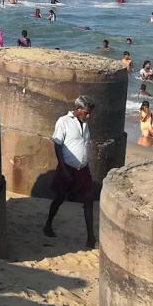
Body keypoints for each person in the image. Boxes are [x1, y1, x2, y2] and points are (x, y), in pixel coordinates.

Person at [43, 95, 97, 249]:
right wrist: (63, 168)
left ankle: (91, 237)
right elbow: (57, 145)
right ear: (78, 109)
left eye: (90, 112)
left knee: (88, 200)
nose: (89, 115)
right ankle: (48, 224)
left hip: (83, 169)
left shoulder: (86, 125)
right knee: (59, 197)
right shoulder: (63, 121)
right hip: (67, 167)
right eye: (87, 112)